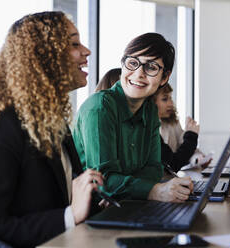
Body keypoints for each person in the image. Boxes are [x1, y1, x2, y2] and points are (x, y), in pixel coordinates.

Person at [0, 11, 104, 247]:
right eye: (74, 44)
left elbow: (57, 197)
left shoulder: (50, 119)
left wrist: (92, 203)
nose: (86, 51)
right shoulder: (2, 127)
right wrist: (71, 215)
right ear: (43, 56)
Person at [73, 33, 193, 204]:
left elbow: (154, 169)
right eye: (132, 63)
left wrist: (124, 187)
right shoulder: (100, 107)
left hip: (129, 204)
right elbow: (103, 180)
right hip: (93, 213)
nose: (138, 74)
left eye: (151, 67)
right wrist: (153, 190)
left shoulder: (149, 110)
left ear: (164, 77)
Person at [153, 84, 211, 172]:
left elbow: (185, 149)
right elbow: (173, 163)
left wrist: (199, 159)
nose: (171, 103)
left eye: (171, 98)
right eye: (165, 99)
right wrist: (191, 135)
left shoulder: (172, 122)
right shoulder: (148, 129)